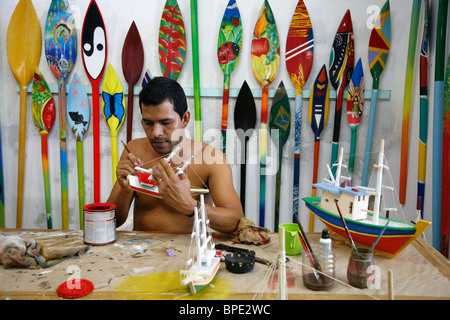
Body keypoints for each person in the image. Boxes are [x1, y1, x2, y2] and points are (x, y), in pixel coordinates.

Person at [107, 77, 244, 234]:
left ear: (185, 119)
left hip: (190, 254)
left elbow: (236, 222)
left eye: (166, 123)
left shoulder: (211, 158)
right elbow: (111, 223)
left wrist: (190, 206)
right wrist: (125, 190)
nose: (156, 133)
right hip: (141, 252)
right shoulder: (134, 151)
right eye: (148, 123)